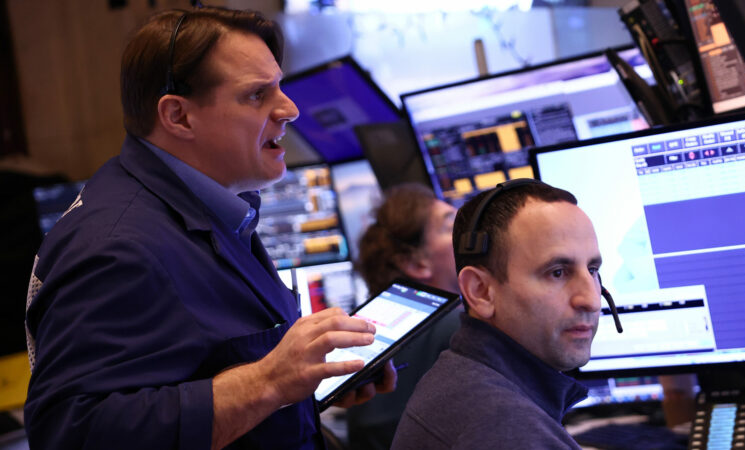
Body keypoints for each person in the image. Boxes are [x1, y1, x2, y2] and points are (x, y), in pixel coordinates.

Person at [23, 7, 395, 450]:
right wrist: (270, 381)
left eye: (279, 85)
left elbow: (206, 368)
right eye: (257, 95)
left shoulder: (210, 202)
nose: (290, 108)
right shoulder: (117, 247)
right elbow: (72, 432)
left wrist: (305, 383)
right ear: (178, 116)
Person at [392, 180, 604, 450]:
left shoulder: (463, 379)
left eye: (593, 269)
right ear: (481, 291)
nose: (591, 300)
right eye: (557, 272)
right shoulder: (508, 428)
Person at [346, 183, 461, 450]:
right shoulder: (460, 330)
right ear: (416, 263)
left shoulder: (374, 329)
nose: (472, 234)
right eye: (452, 226)